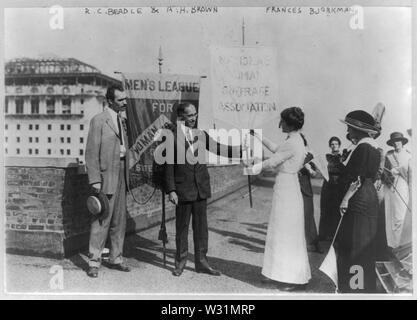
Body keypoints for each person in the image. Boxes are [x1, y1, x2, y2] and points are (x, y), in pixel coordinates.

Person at [164, 102, 242, 277]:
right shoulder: (171, 136)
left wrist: (240, 150)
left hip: (200, 188)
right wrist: (171, 190)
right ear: (181, 116)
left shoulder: (201, 134)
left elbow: (218, 148)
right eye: (190, 115)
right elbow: (168, 166)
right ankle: (180, 262)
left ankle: (202, 262)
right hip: (183, 190)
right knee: (182, 228)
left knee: (201, 228)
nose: (194, 118)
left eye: (195, 114)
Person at [250, 107, 311, 291]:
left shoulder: (292, 142)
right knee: (281, 231)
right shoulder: (295, 139)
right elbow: (277, 149)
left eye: (283, 121)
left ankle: (293, 279)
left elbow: (273, 161)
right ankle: (279, 274)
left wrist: (251, 169)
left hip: (287, 189)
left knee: (286, 233)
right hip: (288, 187)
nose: (280, 125)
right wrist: (258, 136)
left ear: (290, 123)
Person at [85, 84, 131, 278]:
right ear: (110, 101)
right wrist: (95, 180)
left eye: (125, 99)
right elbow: (91, 152)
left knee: (119, 220)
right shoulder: (99, 121)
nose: (125, 102)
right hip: (106, 176)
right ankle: (94, 261)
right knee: (101, 219)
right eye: (121, 100)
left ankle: (116, 258)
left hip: (121, 173)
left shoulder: (123, 121)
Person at [337, 110, 380, 293]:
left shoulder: (362, 148)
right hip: (370, 197)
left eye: (350, 127)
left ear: (357, 130)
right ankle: (363, 288)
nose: (348, 130)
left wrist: (345, 199)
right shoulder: (374, 148)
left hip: (359, 197)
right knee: (364, 244)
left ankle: (354, 289)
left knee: (355, 243)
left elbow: (357, 178)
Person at [383, 132, 411, 249]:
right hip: (389, 186)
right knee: (390, 215)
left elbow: (411, 174)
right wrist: (389, 172)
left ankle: (401, 243)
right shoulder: (388, 155)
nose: (396, 143)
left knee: (400, 215)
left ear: (403, 142)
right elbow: (383, 171)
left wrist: (399, 170)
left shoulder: (409, 155)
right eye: (394, 141)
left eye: (398, 141)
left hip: (402, 186)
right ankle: (392, 244)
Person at [319, 137, 344, 242]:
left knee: (336, 210)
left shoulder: (343, 157)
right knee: (325, 209)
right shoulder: (326, 157)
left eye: (336, 144)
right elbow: (324, 169)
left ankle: (335, 236)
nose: (334, 146)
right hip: (328, 185)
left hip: (338, 185)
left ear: (339, 145)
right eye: (332, 144)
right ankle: (323, 235)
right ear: (330, 146)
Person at [299, 150, 321, 252]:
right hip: (291, 188)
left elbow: (315, 174)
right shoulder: (290, 155)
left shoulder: (308, 156)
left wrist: (310, 169)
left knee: (308, 214)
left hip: (305, 189)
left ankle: (313, 242)